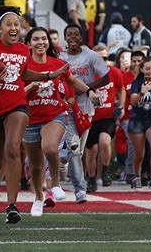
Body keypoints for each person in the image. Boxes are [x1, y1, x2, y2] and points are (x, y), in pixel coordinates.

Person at [0, 6, 69, 223]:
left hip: (17, 105)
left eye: (17, 25)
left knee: (13, 149)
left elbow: (24, 73)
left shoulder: (22, 49)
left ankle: (12, 205)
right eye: (9, 24)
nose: (14, 28)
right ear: (0, 28)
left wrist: (47, 74)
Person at [22, 27, 98, 216]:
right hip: (30, 119)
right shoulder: (24, 66)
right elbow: (16, 94)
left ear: (49, 42)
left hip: (55, 114)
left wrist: (89, 91)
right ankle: (39, 198)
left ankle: (55, 183)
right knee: (36, 165)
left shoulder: (58, 63)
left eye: (44, 39)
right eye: (36, 39)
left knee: (49, 148)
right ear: (29, 43)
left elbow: (72, 81)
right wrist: (32, 86)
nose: (40, 42)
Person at [59, 23, 110, 203]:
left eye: (76, 34)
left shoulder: (91, 56)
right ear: (65, 38)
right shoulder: (60, 57)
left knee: (77, 152)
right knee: (74, 149)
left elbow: (107, 76)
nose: (72, 37)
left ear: (80, 37)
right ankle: (80, 190)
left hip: (86, 108)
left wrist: (87, 88)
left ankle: (63, 153)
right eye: (69, 35)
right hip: (66, 108)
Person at [85, 44, 125, 192]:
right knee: (91, 151)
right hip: (89, 117)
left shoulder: (114, 72)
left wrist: (120, 106)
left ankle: (106, 170)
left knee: (105, 140)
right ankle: (91, 179)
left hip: (107, 116)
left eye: (106, 58)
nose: (103, 61)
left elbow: (121, 89)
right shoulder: (86, 74)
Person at [128, 57, 151, 190]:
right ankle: (136, 176)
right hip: (137, 119)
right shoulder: (136, 83)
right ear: (142, 69)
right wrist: (142, 92)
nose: (150, 71)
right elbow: (133, 101)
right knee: (139, 153)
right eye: (147, 68)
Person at [121, 50, 144, 183]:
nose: (136, 63)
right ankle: (130, 172)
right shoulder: (125, 77)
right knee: (132, 140)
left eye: (139, 61)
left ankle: (145, 173)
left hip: (146, 115)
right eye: (134, 61)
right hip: (128, 117)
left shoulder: (147, 76)